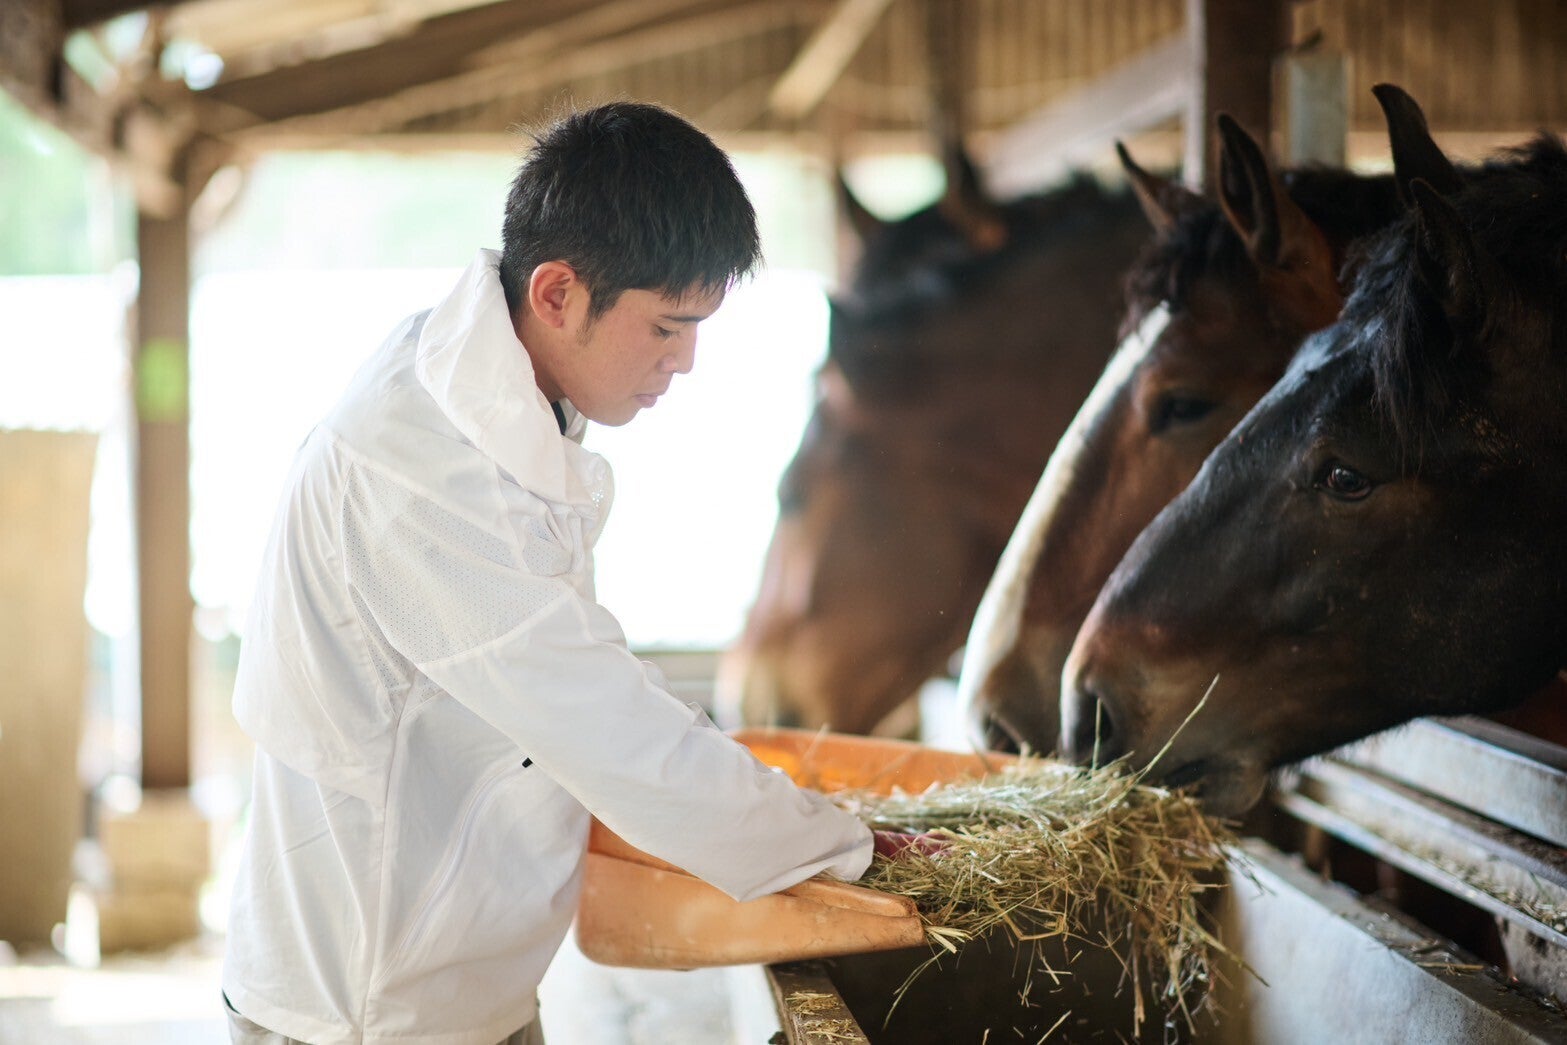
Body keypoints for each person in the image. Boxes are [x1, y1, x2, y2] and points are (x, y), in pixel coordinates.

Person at [221, 102, 881, 1045]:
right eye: (667, 326)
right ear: (558, 292)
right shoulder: (418, 470)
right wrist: (849, 846)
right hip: (368, 1008)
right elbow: (602, 722)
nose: (686, 361)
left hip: (465, 978)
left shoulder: (506, 393)